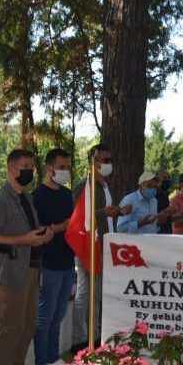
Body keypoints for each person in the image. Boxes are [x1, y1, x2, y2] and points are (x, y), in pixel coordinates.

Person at [0, 148, 54, 365]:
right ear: (11, 168)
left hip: (32, 269)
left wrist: (42, 234)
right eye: (26, 166)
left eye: (32, 167)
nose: (30, 171)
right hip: (11, 273)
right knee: (9, 328)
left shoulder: (26, 198)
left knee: (26, 326)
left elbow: (29, 231)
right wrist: (23, 240)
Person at [72, 144, 127, 351]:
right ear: (92, 162)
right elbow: (78, 218)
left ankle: (95, 336)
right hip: (88, 245)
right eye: (104, 160)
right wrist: (104, 212)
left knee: (97, 294)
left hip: (103, 244)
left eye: (109, 160)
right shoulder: (84, 186)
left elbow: (103, 213)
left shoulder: (104, 186)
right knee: (85, 293)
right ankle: (80, 339)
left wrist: (118, 212)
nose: (108, 164)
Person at [32, 148, 75, 365]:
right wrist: (61, 226)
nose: (65, 171)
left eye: (68, 167)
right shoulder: (38, 196)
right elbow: (38, 230)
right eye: (61, 167)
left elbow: (73, 224)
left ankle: (53, 359)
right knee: (45, 316)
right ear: (49, 168)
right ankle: (41, 364)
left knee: (58, 315)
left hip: (68, 261)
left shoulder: (67, 195)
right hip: (48, 262)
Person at [156, 169, 173, 234]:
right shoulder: (154, 195)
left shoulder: (165, 194)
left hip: (167, 229)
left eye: (168, 178)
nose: (167, 180)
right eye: (164, 178)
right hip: (158, 231)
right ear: (157, 180)